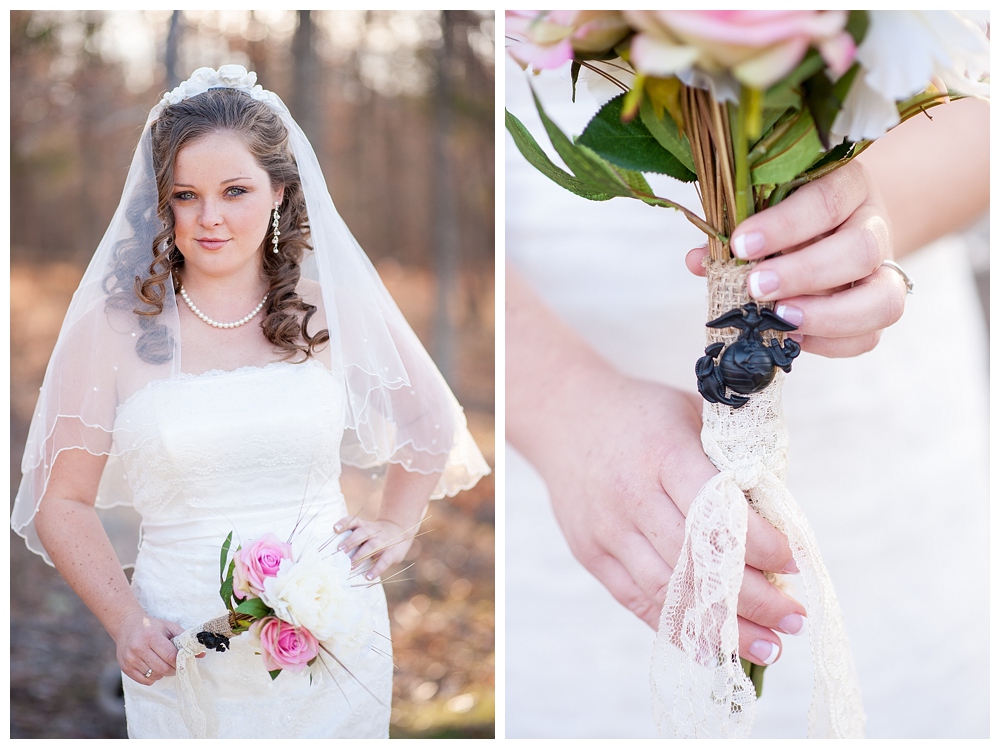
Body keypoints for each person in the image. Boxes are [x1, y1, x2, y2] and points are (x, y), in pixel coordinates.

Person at [505, 56, 988, 738]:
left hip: (891, 433)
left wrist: (848, 231)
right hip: (568, 422)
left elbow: (977, 82)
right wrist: (556, 407)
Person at [11, 65, 490, 739]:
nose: (209, 217)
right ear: (161, 203)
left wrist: (396, 524)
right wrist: (125, 619)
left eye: (234, 190)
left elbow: (432, 419)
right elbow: (61, 502)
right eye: (186, 194)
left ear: (278, 192)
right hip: (176, 642)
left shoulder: (332, 312)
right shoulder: (113, 328)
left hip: (327, 626)